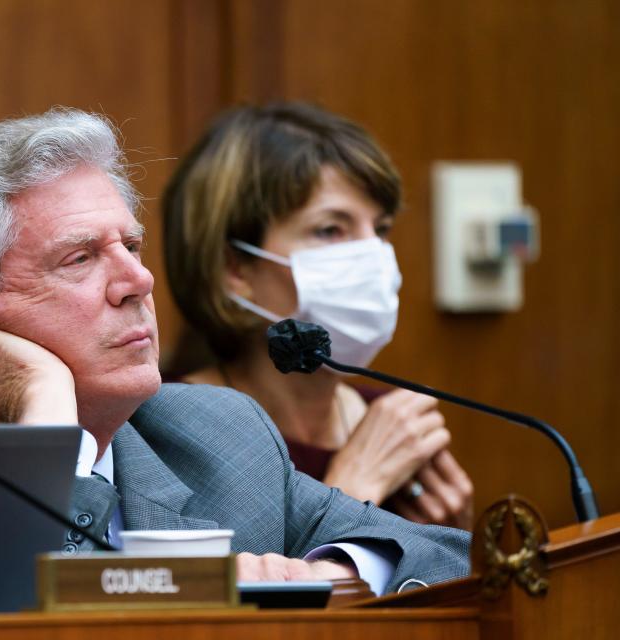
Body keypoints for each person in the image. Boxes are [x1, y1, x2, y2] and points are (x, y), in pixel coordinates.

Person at [0, 108, 469, 595]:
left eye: (131, 248)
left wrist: (319, 578)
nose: (138, 281)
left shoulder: (219, 432)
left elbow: (449, 557)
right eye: (80, 258)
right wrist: (47, 413)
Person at [162, 103, 473, 530]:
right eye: (331, 230)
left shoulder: (389, 423)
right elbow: (247, 591)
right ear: (235, 269)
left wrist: (450, 542)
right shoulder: (173, 429)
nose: (374, 256)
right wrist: (353, 487)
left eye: (379, 229)